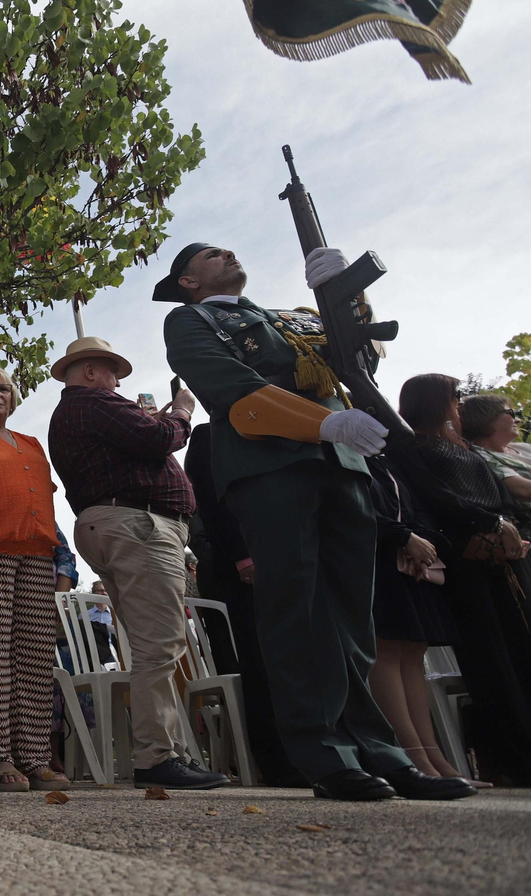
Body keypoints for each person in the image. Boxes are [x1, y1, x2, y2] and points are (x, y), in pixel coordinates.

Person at [160, 241, 472, 800]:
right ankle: (325, 753)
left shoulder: (286, 317)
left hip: (344, 462)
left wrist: (347, 301)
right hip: (271, 463)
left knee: (353, 617)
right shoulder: (190, 320)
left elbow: (357, 363)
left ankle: (382, 753)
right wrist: (322, 426)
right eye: (211, 254)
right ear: (187, 280)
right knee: (298, 612)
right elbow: (230, 388)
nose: (229, 253)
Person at [47, 336, 227, 790]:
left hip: (114, 523)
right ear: (90, 371)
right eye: (113, 372)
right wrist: (182, 411)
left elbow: (140, 441)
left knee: (152, 643)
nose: (119, 381)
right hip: (137, 524)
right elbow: (156, 439)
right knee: (159, 644)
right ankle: (157, 756)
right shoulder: (94, 401)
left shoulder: (82, 409)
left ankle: (167, 751)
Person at [390, 374, 531, 784]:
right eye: (453, 397)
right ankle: (511, 760)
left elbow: (502, 497)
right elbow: (436, 496)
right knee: (491, 660)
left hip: (503, 557)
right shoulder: (413, 446)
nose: (458, 404)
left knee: (521, 649)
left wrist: (510, 527)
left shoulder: (464, 447)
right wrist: (486, 522)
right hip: (467, 561)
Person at [0, 364, 72, 792]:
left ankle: (35, 756)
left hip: (37, 556)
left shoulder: (31, 444)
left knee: (35, 661)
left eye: (4, 388)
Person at [183, 422, 301, 786]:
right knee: (255, 663)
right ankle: (275, 761)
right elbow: (205, 511)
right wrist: (240, 555)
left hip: (285, 558)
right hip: (234, 571)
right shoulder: (208, 438)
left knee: (293, 661)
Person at [366, 452, 467, 781]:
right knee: (389, 651)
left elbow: (416, 510)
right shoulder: (348, 458)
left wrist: (424, 541)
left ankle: (434, 757)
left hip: (406, 566)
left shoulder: (387, 462)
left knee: (413, 653)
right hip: (378, 563)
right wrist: (405, 538)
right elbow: (358, 512)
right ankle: (414, 757)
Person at [462, 393, 531, 510]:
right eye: (511, 413)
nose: (518, 420)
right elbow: (524, 490)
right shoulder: (481, 458)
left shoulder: (522, 447)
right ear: (486, 418)